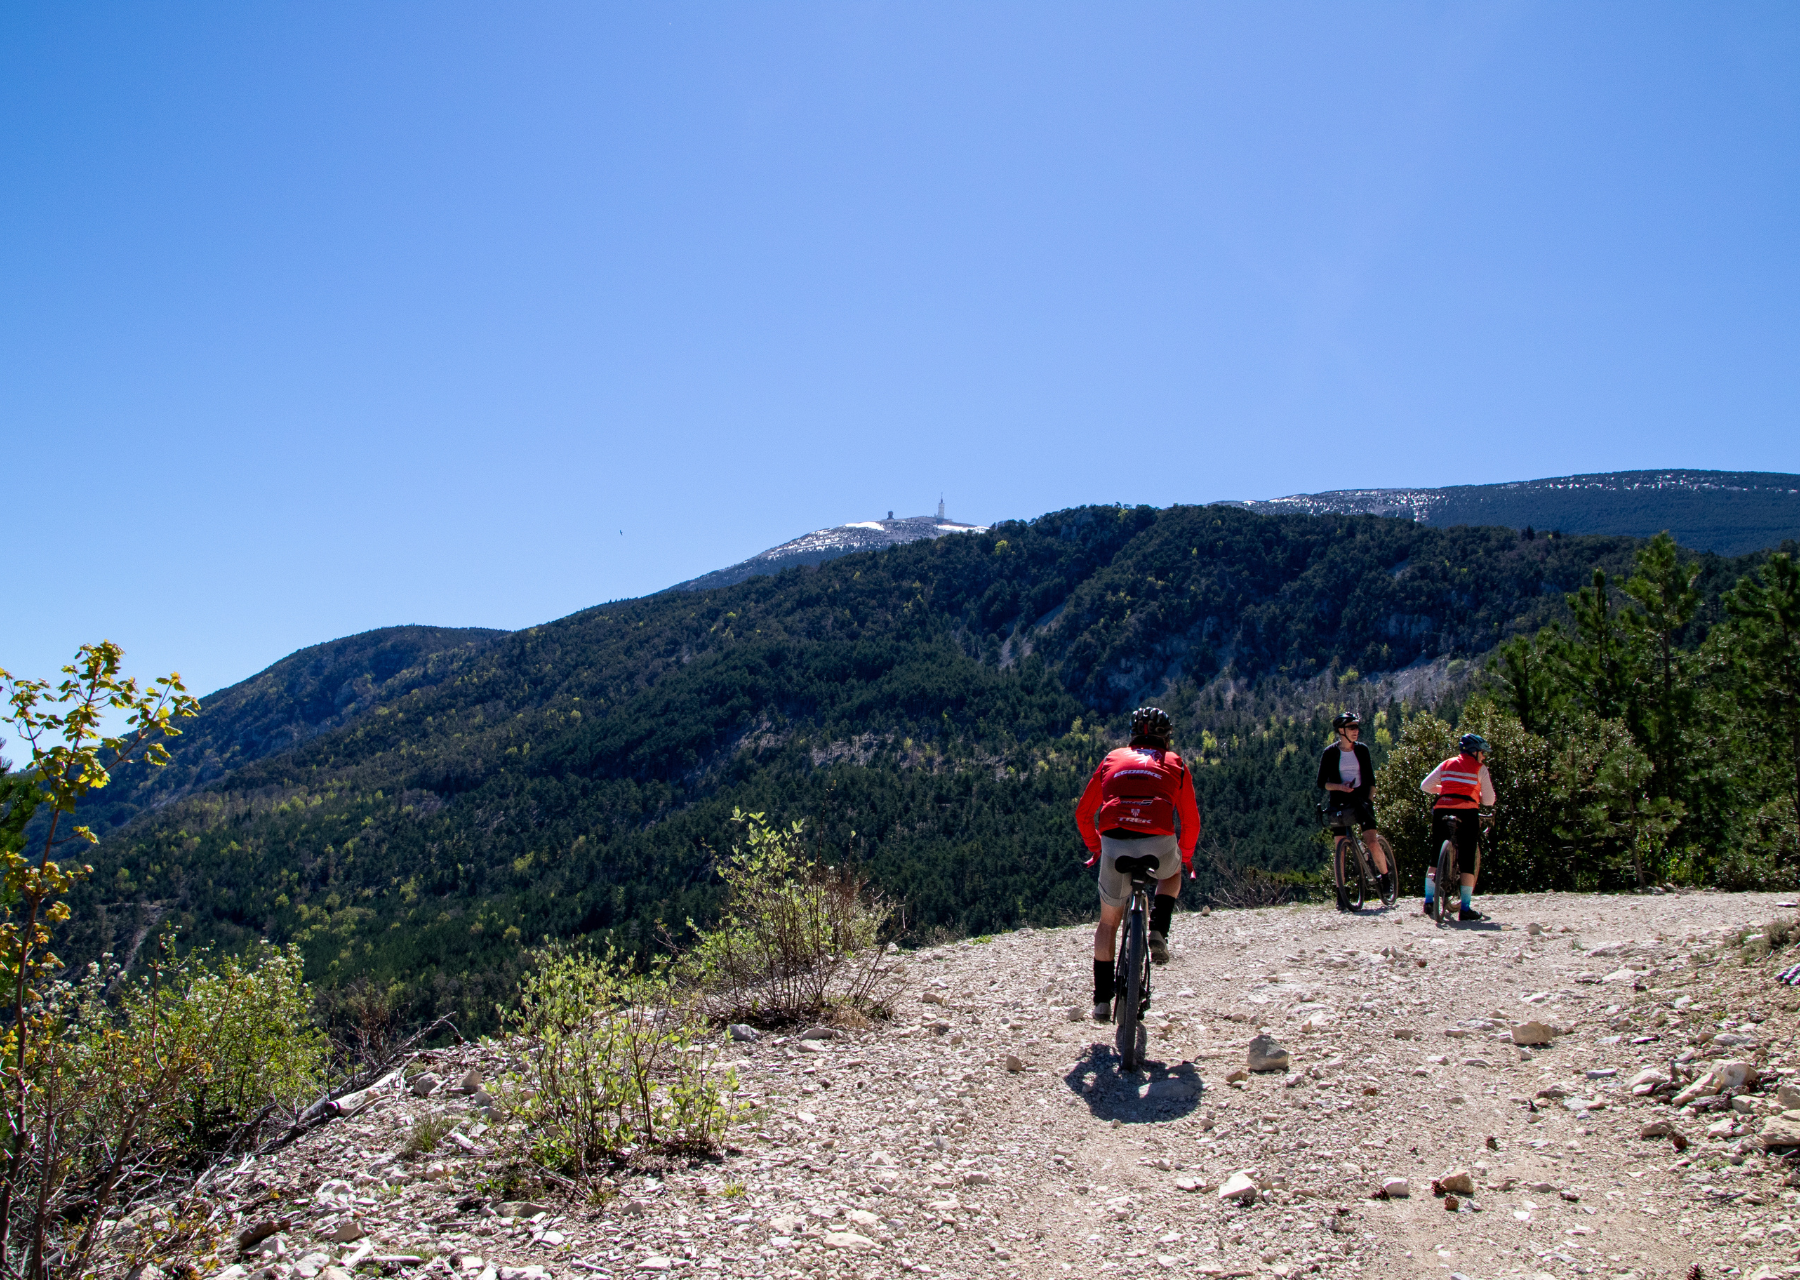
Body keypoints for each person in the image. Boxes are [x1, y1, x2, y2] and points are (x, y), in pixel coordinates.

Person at [1074, 706, 1202, 1022]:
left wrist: (1096, 848)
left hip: (1115, 841)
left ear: (1133, 737)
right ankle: (1158, 929)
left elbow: (1083, 813)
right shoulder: (1176, 763)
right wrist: (1185, 857)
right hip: (1158, 840)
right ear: (1167, 739)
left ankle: (1102, 1000)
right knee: (1171, 876)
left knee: (1108, 923)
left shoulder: (1112, 759)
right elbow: (1190, 819)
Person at [1317, 711, 1391, 907]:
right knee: (1339, 847)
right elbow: (1322, 783)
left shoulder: (1362, 750)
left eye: (1357, 727)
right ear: (1341, 731)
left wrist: (1369, 800)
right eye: (1351, 728)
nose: (1356, 731)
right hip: (1339, 802)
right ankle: (1341, 892)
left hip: (1361, 801)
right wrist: (1340, 787)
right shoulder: (1330, 753)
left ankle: (1385, 878)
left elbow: (1371, 781)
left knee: (1372, 841)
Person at [1419, 732, 1496, 921]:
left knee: (1435, 853)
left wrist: (1444, 790)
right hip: (1467, 812)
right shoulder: (1480, 769)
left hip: (1442, 809)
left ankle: (1429, 901)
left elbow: (1425, 786)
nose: (1484, 756)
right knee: (1467, 856)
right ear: (1475, 753)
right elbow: (1490, 800)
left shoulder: (1447, 763)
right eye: (1482, 753)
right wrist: (1474, 795)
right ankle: (1466, 909)